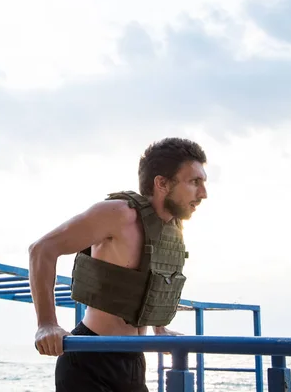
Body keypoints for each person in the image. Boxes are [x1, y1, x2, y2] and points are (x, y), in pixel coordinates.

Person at [28, 137, 208, 391]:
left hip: (134, 360)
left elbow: (151, 283)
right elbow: (41, 249)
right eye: (194, 182)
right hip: (90, 357)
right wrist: (47, 324)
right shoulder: (118, 213)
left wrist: (160, 330)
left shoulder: (172, 229)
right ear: (162, 183)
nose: (203, 194)